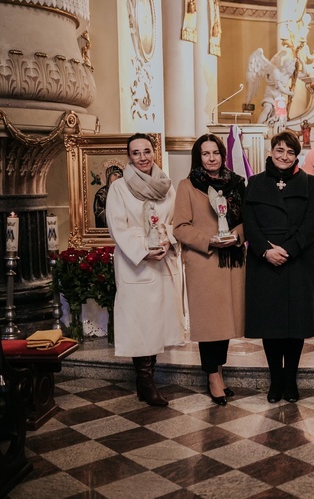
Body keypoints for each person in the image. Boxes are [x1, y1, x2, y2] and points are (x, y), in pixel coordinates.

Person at [106, 133, 184, 407]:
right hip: (135, 262)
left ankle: (146, 379)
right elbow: (117, 226)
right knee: (140, 322)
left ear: (154, 153)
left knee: (157, 322)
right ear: (129, 156)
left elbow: (176, 221)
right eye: (136, 153)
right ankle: (145, 381)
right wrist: (143, 251)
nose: (142, 157)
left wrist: (167, 241)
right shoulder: (119, 188)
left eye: (147, 151)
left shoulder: (166, 185)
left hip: (162, 257)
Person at [244, 130, 314, 403]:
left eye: (290, 152)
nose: (284, 156)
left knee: (294, 327)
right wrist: (266, 251)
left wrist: (287, 250)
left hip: (296, 262)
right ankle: (275, 380)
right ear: (271, 151)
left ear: (296, 155)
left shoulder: (309, 183)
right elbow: (249, 223)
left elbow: (311, 222)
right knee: (272, 326)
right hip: (264, 263)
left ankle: (291, 381)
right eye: (280, 150)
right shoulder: (253, 183)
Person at [174, 134, 246, 407]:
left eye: (215, 153)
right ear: (198, 157)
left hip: (232, 262)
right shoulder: (188, 185)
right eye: (205, 154)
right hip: (205, 262)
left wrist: (236, 236)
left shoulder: (237, 184)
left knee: (225, 323)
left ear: (222, 155)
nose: (212, 158)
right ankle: (213, 376)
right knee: (209, 325)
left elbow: (247, 220)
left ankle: (219, 371)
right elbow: (179, 226)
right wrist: (209, 240)